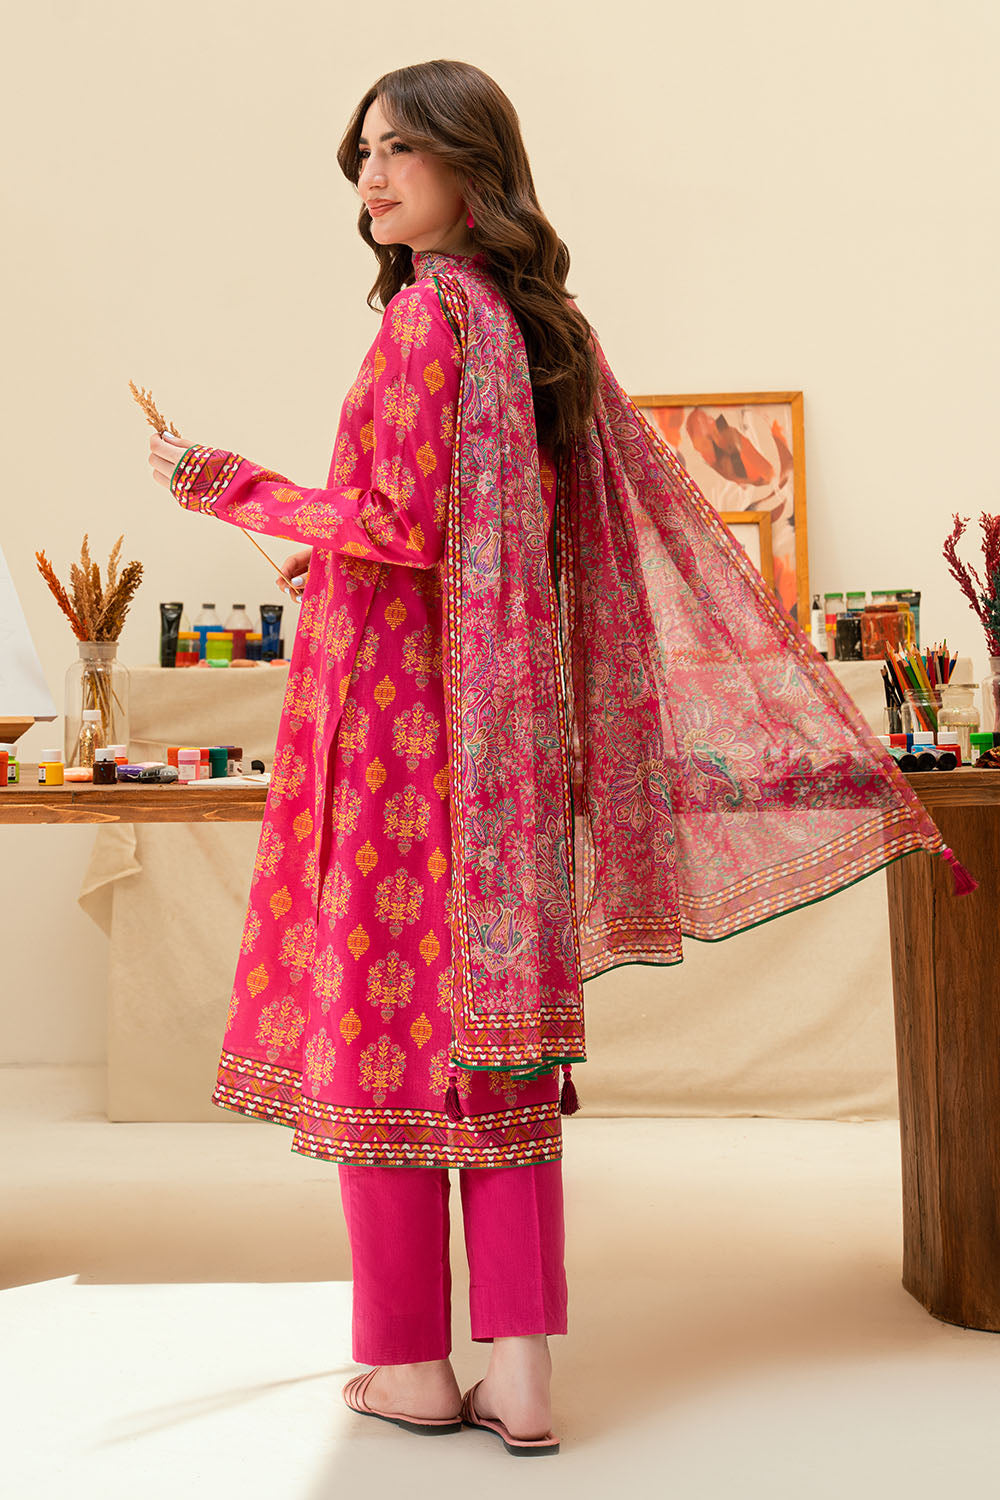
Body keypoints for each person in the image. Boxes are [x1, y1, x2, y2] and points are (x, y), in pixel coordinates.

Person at [148, 60, 974, 1461]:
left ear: (475, 166)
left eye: (401, 150)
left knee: (394, 1041)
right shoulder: (542, 328)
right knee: (502, 1048)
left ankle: (410, 1367)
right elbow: (490, 534)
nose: (372, 178)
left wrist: (232, 486)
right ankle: (521, 1374)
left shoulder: (424, 318)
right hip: (511, 744)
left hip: (408, 744)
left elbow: (403, 524)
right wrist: (329, 552)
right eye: (362, 155)